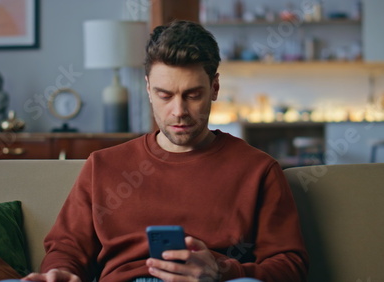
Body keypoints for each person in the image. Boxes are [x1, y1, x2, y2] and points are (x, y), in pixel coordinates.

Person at [24, 20, 308, 282]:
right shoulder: (103, 165)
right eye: (165, 95)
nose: (179, 111)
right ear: (148, 89)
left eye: (193, 95)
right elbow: (67, 248)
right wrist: (59, 273)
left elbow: (289, 265)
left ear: (215, 87)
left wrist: (222, 271)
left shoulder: (258, 170)